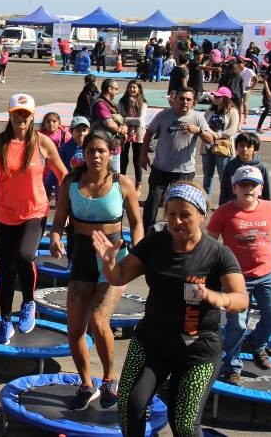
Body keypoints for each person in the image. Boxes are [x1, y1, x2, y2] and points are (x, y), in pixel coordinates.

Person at [93, 181, 247, 437]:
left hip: (196, 349)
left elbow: (240, 298)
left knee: (185, 425)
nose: (176, 221)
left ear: (201, 215)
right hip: (152, 341)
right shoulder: (156, 243)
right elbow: (118, 277)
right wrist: (108, 262)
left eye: (185, 214)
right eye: (171, 214)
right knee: (130, 406)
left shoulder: (217, 254)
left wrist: (218, 298)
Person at [49, 130, 143, 410]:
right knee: (75, 328)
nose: (96, 156)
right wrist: (55, 236)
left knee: (99, 319)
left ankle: (110, 379)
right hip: (82, 259)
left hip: (113, 261)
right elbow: (57, 222)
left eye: (101, 151)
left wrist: (138, 253)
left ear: (111, 153)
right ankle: (86, 383)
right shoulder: (71, 182)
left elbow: (137, 223)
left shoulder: (122, 184)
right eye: (91, 151)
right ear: (84, 153)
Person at [0, 94, 67, 342]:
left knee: (25, 256)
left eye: (25, 113)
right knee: (6, 268)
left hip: (34, 211)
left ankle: (28, 302)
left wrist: (68, 207)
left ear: (32, 116)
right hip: (4, 212)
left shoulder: (43, 142)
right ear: (10, 114)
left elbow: (63, 175)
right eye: (17, 113)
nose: (21, 118)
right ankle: (5, 321)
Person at [208, 166, 271, 386]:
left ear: (261, 189)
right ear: (234, 188)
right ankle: (231, 366)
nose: (248, 189)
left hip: (267, 273)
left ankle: (256, 344)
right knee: (237, 325)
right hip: (236, 278)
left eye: (253, 185)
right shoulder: (224, 212)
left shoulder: (270, 208)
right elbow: (211, 241)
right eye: (243, 185)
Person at [139, 87, 214, 228]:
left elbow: (210, 139)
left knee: (180, 203)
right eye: (181, 98)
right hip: (161, 168)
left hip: (184, 172)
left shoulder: (197, 118)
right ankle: (147, 230)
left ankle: (177, 229)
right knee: (153, 200)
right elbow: (148, 133)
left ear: (194, 102)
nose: (184, 102)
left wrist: (198, 130)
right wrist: (143, 155)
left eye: (188, 99)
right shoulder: (164, 115)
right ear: (175, 100)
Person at [200, 86, 239, 201]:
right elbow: (203, 123)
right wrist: (208, 134)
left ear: (226, 98)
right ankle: (205, 201)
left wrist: (216, 135)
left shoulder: (232, 111)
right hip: (207, 147)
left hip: (223, 149)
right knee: (207, 177)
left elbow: (232, 129)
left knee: (224, 177)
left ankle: (225, 201)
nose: (215, 98)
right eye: (215, 96)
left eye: (218, 96)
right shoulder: (211, 110)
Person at [219, 132, 271, 206]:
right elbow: (224, 189)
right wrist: (222, 207)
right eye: (241, 145)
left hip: (255, 207)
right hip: (234, 206)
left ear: (255, 149)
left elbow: (266, 191)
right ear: (236, 147)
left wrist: (268, 208)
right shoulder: (230, 165)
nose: (244, 149)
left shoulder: (262, 167)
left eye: (249, 146)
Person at [118, 80, 148, 195]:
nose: (131, 89)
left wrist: (126, 119)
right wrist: (126, 120)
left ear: (139, 89)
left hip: (139, 133)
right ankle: (122, 182)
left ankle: (138, 185)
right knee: (123, 159)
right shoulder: (122, 101)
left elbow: (141, 120)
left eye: (134, 87)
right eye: (130, 87)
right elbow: (119, 118)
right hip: (124, 132)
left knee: (137, 160)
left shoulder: (143, 103)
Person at [90, 79, 126, 173]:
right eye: (116, 89)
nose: (117, 92)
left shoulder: (111, 104)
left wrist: (124, 127)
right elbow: (108, 123)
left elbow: (120, 121)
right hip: (106, 146)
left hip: (114, 145)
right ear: (110, 89)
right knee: (112, 176)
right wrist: (121, 130)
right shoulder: (101, 104)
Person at [39, 112, 70, 202]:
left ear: (59, 123)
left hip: (60, 167)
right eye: (48, 121)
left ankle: (59, 205)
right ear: (44, 124)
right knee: (44, 190)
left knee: (60, 190)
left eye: (54, 121)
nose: (51, 123)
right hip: (45, 168)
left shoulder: (65, 135)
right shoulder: (39, 136)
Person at [237, 59, 258, 125]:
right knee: (239, 104)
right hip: (238, 89)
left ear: (243, 64)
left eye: (240, 64)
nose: (238, 65)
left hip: (246, 90)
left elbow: (256, 79)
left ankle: (245, 118)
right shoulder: (236, 70)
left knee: (245, 103)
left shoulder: (248, 71)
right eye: (237, 64)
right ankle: (239, 118)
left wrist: (252, 87)